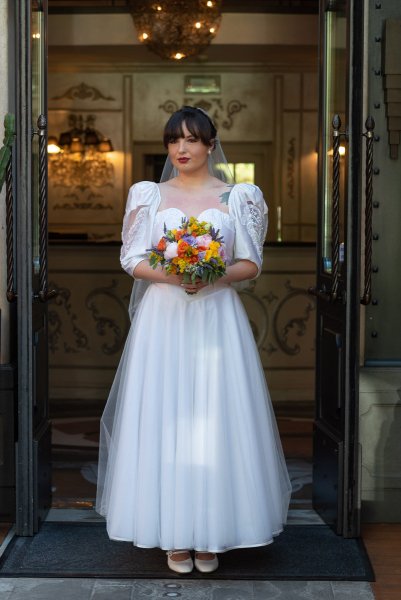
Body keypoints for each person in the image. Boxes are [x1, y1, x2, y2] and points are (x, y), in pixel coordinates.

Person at [96, 106, 291, 574]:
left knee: (213, 418)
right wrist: (175, 273)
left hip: (215, 318)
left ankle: (212, 533)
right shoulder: (148, 196)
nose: (181, 149)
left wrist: (209, 273)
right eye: (173, 140)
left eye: (191, 140)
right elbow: (131, 258)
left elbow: (251, 263)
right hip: (163, 320)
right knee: (166, 418)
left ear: (209, 144)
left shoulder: (238, 196)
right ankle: (175, 535)